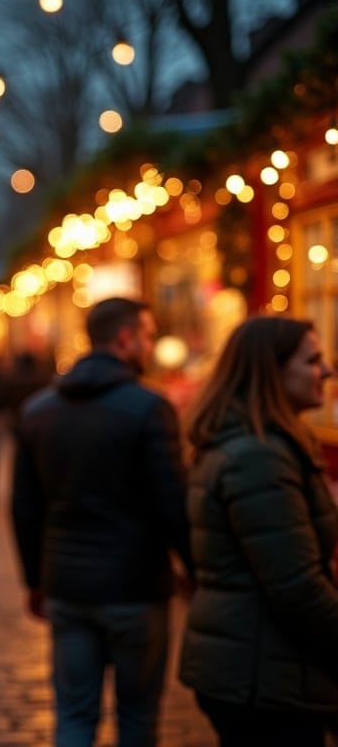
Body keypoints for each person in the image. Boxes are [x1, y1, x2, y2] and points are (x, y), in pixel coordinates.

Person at [11, 296, 193, 747]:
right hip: (137, 587)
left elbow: (24, 508)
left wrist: (35, 579)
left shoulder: (39, 411)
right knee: (136, 718)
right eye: (148, 336)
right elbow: (172, 503)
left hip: (68, 586)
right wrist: (195, 569)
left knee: (74, 714)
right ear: (126, 337)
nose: (151, 347)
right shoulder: (149, 408)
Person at [179, 316, 338, 746]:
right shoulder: (259, 457)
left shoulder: (260, 443)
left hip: (254, 663)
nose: (326, 371)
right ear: (272, 370)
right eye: (313, 360)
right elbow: (296, 585)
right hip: (261, 672)